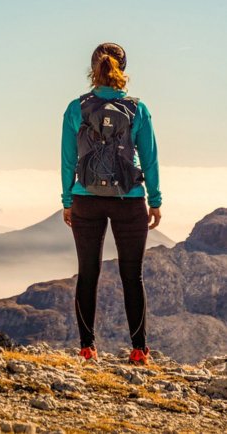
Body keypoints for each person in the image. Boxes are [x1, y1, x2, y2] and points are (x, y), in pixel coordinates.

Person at [60, 42, 162, 365]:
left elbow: (68, 159)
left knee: (87, 273)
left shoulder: (76, 108)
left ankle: (87, 348)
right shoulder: (137, 109)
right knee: (132, 276)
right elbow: (150, 159)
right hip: (128, 200)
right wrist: (155, 200)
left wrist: (67, 199)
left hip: (85, 200)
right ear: (123, 70)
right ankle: (139, 350)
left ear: (93, 70)